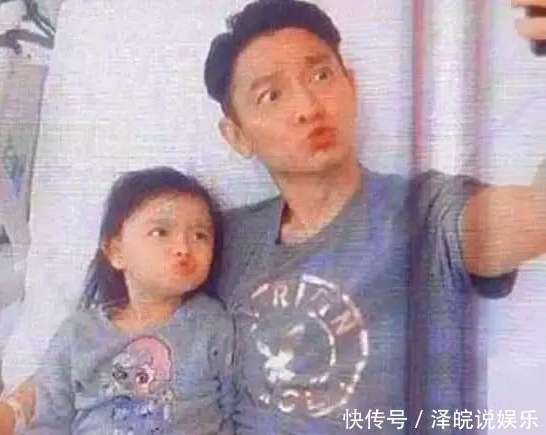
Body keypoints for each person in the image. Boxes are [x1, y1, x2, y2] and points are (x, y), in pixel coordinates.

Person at [204, 0, 546, 433]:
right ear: (237, 136)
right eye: (271, 95)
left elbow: (537, 218)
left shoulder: (424, 214)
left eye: (320, 75)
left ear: (352, 85)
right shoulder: (211, 243)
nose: (308, 106)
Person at [23, 166, 234, 434]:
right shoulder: (78, 335)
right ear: (116, 252)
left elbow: (235, 412)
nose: (183, 248)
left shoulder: (212, 325)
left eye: (200, 235)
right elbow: (49, 423)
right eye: (160, 232)